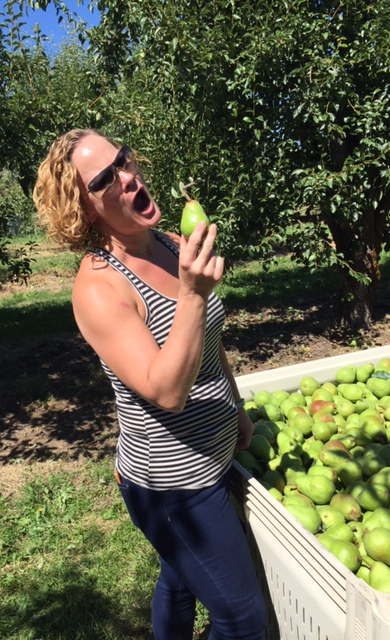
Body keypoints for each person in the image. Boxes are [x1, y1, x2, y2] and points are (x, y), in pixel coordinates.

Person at [33, 128, 267, 640]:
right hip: (172, 484)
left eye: (124, 160)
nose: (128, 176)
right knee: (244, 621)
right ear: (85, 209)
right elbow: (164, 390)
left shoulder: (171, 243)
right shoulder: (99, 288)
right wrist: (193, 294)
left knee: (180, 580)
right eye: (106, 178)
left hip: (212, 453)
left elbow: (207, 342)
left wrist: (239, 411)